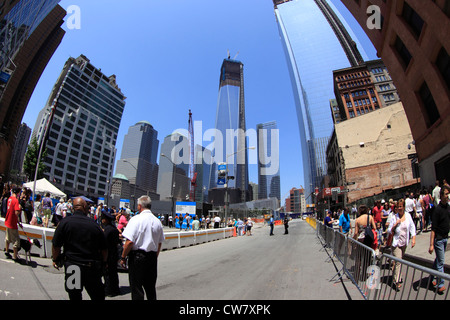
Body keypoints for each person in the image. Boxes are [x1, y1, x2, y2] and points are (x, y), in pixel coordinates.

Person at [52, 197, 108, 300]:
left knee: (74, 297)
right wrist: (104, 263)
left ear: (73, 208)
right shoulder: (94, 225)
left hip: (72, 266)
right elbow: (104, 249)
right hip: (91, 267)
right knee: (98, 296)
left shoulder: (64, 223)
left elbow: (56, 245)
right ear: (85, 207)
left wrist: (55, 259)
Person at [120, 196, 165, 300]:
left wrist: (123, 257)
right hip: (152, 258)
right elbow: (159, 243)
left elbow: (129, 242)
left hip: (138, 258)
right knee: (150, 289)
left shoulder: (136, 219)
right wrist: (155, 256)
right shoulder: (157, 222)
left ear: (139, 206)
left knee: (136, 289)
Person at [387, 199, 416, 290]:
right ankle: (396, 280)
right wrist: (395, 224)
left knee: (399, 261)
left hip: (404, 242)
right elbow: (388, 230)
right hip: (396, 243)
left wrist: (413, 238)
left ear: (403, 207)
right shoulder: (394, 217)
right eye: (398, 207)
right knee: (399, 261)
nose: (399, 208)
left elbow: (412, 227)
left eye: (400, 206)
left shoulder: (407, 216)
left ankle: (395, 271)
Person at [428, 185, 450, 294]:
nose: (448, 196)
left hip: (445, 238)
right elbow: (433, 229)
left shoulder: (448, 207)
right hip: (438, 240)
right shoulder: (437, 210)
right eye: (446, 194)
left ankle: (432, 277)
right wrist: (431, 244)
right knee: (441, 262)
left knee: (437, 260)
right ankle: (440, 284)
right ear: (441, 196)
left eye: (448, 194)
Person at [101, 211, 121, 297]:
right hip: (114, 254)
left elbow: (103, 243)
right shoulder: (113, 229)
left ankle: (109, 290)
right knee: (113, 272)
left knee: (108, 273)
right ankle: (115, 289)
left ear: (105, 220)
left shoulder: (107, 230)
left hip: (109, 254)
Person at [4, 186, 22, 262]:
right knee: (16, 241)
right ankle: (15, 257)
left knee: (8, 238)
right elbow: (16, 212)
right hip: (12, 223)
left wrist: (18, 222)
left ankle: (7, 251)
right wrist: (20, 208)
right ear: (18, 193)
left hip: (8, 220)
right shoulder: (16, 201)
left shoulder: (10, 199)